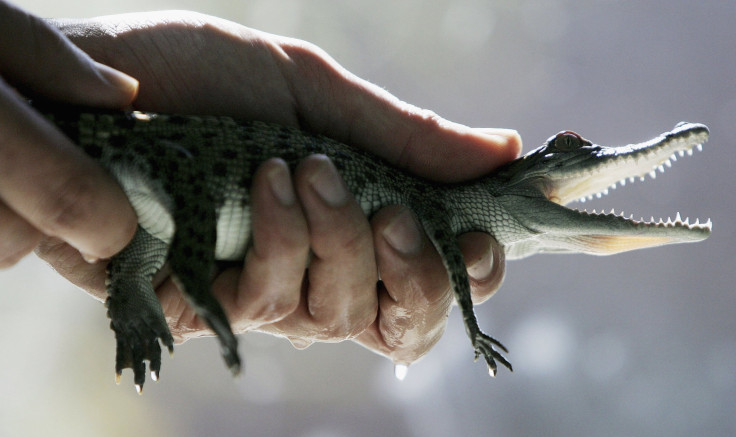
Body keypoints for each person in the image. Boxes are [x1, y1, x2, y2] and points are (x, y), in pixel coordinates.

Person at [0, 1, 521, 367]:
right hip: (156, 154)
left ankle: (133, 286)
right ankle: (133, 287)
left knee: (132, 225)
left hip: (157, 191)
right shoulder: (442, 208)